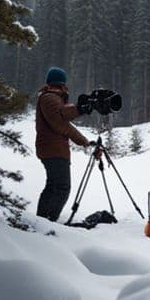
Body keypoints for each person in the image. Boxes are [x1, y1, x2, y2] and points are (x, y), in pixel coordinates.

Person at [35, 66, 94, 222]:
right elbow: (61, 122)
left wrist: (80, 109)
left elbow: (62, 114)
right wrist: (84, 141)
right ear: (62, 83)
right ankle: (48, 221)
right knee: (61, 187)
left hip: (52, 149)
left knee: (53, 186)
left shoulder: (52, 98)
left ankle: (42, 220)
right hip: (53, 150)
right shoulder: (49, 98)